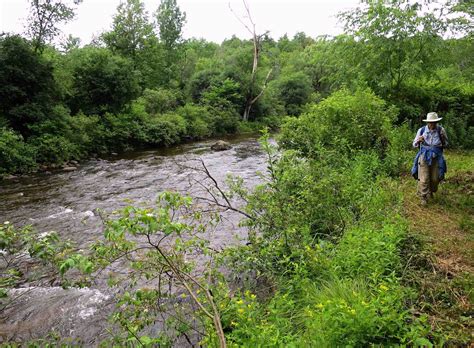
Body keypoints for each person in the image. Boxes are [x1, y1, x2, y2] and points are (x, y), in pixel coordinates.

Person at [411, 112, 448, 206]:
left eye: (434, 122)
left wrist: (443, 140)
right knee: (424, 178)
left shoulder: (441, 130)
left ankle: (431, 191)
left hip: (436, 157)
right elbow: (414, 144)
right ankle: (423, 196)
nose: (432, 124)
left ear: (437, 122)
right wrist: (419, 140)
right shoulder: (422, 130)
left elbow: (446, 144)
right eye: (430, 122)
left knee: (435, 178)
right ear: (427, 122)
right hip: (424, 155)